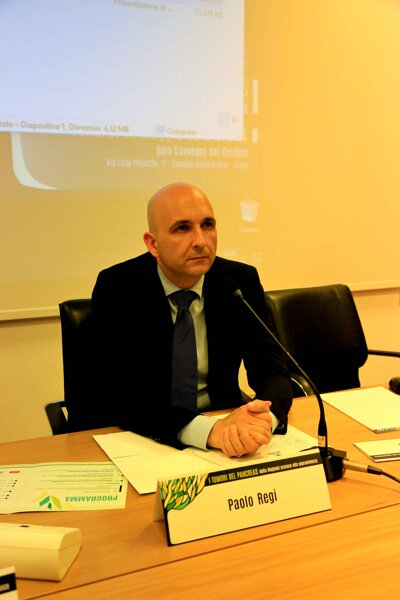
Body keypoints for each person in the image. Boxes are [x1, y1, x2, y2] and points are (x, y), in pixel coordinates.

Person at [90, 182, 293, 457]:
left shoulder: (238, 281)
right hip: (147, 437)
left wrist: (262, 420)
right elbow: (120, 394)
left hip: (225, 433)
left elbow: (272, 369)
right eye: (182, 228)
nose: (200, 241)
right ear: (153, 244)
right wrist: (208, 431)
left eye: (207, 225)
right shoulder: (118, 287)